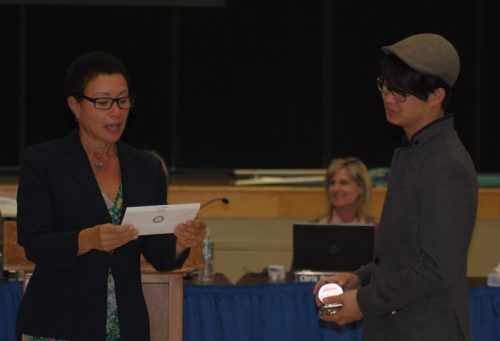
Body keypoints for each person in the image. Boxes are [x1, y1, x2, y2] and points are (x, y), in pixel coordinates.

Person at [16, 51, 206, 340]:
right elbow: (35, 243)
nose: (116, 112)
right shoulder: (43, 162)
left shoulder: (146, 168)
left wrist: (181, 241)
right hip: (58, 322)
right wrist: (88, 239)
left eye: (123, 100)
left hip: (124, 326)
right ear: (75, 106)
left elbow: (159, 254)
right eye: (103, 102)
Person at [313, 33, 477, 341]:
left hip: (426, 330)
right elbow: (402, 255)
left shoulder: (445, 163)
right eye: (385, 86)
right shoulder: (415, 151)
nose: (388, 97)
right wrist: (359, 278)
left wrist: (362, 302)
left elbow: (436, 268)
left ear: (436, 96)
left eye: (401, 92)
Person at [318, 157, 375, 224]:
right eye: (332, 183)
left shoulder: (377, 230)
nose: (335, 189)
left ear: (361, 188)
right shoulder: (314, 228)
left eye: (344, 183)